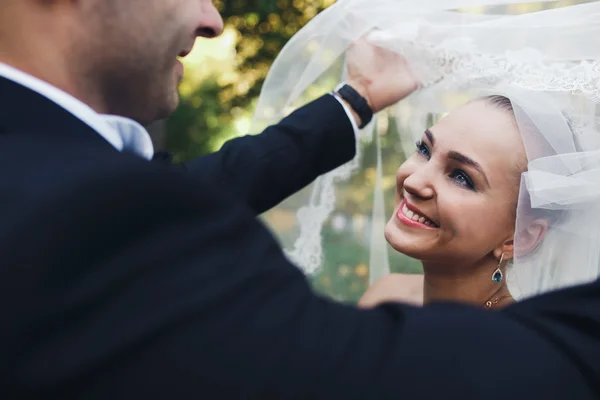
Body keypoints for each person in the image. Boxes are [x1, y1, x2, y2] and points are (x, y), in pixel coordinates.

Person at [1, 1, 600, 399]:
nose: (213, 19)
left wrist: (358, 97)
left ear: (523, 233)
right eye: (424, 149)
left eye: (464, 177)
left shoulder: (60, 187)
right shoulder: (74, 207)